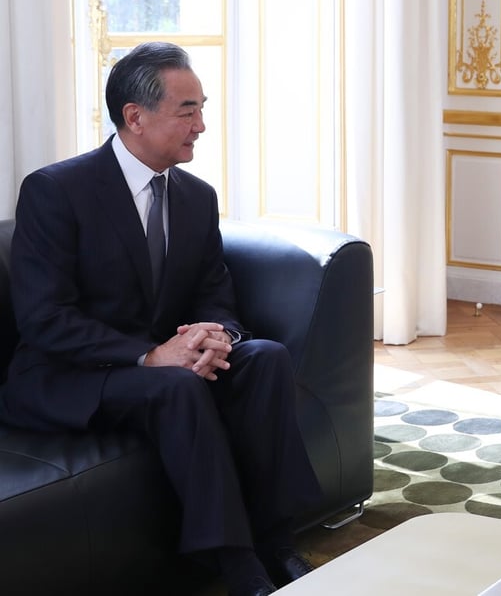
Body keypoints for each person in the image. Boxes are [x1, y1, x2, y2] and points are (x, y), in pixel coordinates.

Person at [1, 42, 322, 596]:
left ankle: (278, 540)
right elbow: (43, 318)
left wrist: (216, 335)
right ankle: (233, 561)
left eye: (202, 108)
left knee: (265, 357)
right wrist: (149, 356)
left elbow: (213, 293)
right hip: (69, 374)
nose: (201, 125)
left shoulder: (196, 197)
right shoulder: (56, 190)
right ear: (135, 117)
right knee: (174, 387)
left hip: (161, 363)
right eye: (188, 110)